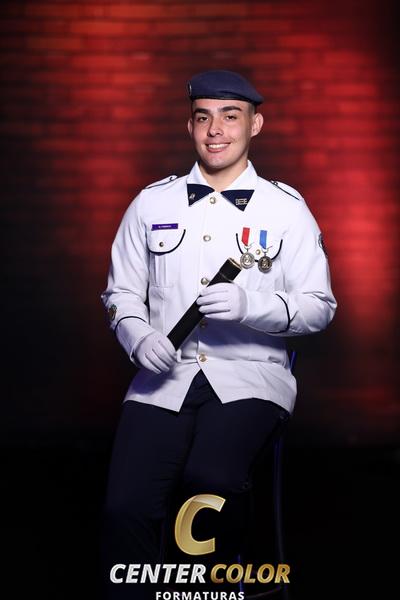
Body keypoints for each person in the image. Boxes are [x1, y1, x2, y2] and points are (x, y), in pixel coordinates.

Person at [100, 69, 337, 598]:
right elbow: (121, 293)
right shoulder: (151, 203)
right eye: (203, 117)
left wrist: (253, 306)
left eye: (231, 117)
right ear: (189, 126)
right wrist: (137, 335)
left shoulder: (285, 208)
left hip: (249, 378)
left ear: (255, 125)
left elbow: (320, 307)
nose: (215, 130)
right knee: (125, 506)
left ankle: (214, 590)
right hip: (163, 381)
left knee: (210, 484)